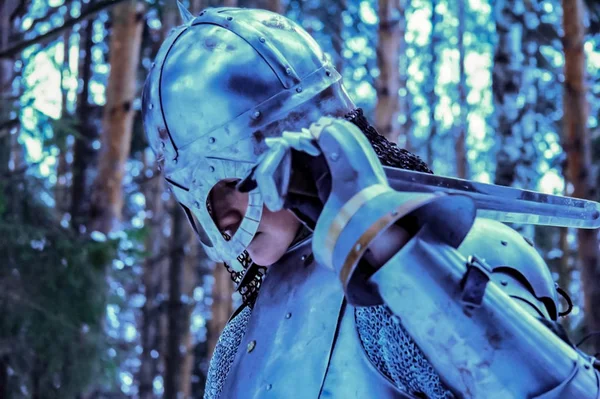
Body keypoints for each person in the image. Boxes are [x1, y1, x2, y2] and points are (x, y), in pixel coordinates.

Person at [143, 6, 599, 399]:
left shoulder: (459, 257)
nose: (221, 218)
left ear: (302, 146)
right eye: (197, 201)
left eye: (230, 182)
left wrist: (404, 263)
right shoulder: (239, 345)